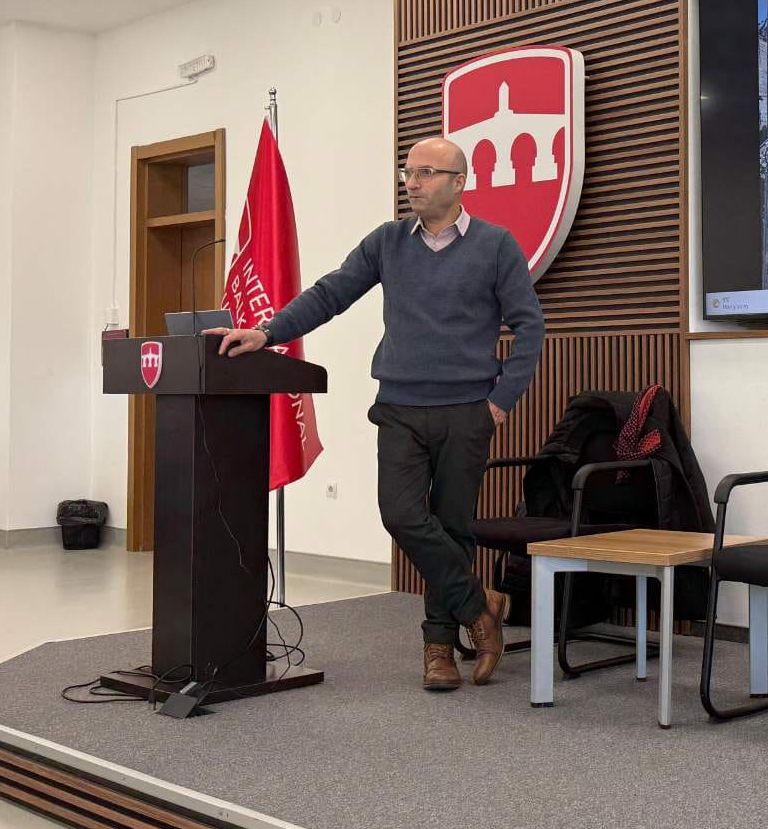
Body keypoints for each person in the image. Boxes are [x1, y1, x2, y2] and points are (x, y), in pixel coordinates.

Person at [215, 137, 545, 692]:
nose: (411, 183)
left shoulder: (495, 246)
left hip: (467, 410)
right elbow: (330, 294)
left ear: (459, 181)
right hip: (400, 407)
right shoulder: (388, 242)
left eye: (425, 173)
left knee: (453, 527)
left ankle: (439, 648)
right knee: (401, 515)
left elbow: (530, 326)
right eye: (408, 172)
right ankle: (479, 606)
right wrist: (268, 332)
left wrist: (500, 401)